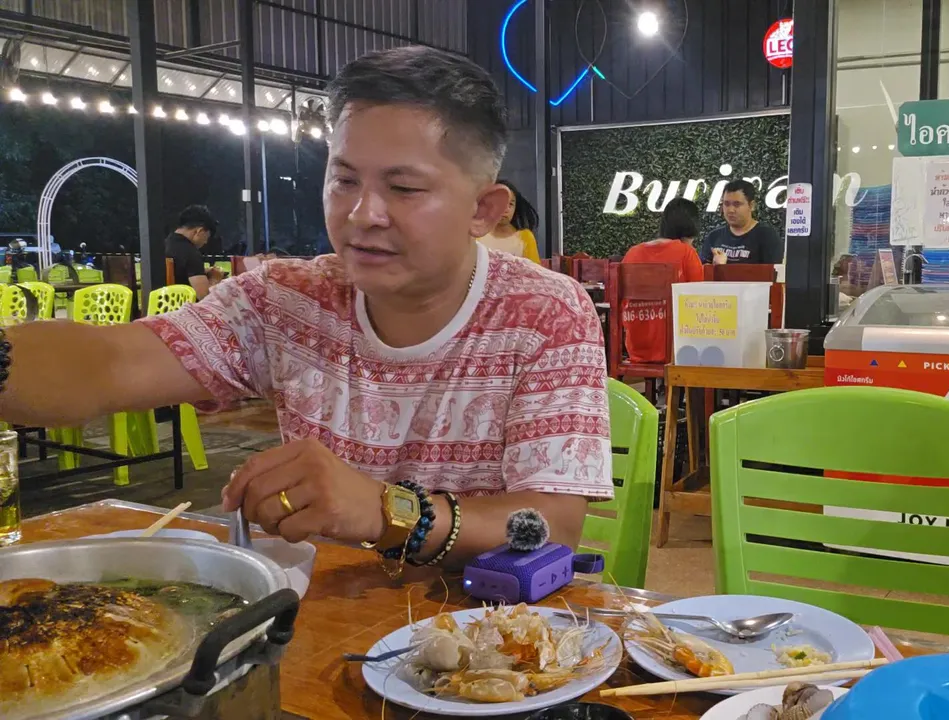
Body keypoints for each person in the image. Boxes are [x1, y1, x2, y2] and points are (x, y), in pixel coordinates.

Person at [0, 46, 611, 571]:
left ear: (483, 210)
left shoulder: (543, 312)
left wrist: (386, 511)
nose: (362, 213)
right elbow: (110, 362)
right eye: (344, 180)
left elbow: (552, 527)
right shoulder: (284, 300)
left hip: (482, 630)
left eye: (403, 188)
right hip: (318, 617)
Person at [620, 198, 704, 363]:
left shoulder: (633, 253)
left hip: (636, 349)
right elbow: (700, 300)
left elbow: (621, 302)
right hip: (675, 351)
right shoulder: (686, 253)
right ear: (691, 226)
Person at [700, 179, 784, 266]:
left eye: (737, 204)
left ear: (751, 205)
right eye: (726, 204)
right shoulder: (714, 237)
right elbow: (702, 270)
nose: (730, 210)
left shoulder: (767, 236)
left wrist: (724, 269)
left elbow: (770, 272)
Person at [164, 205, 224, 299]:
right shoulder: (191, 253)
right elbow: (205, 299)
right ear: (199, 231)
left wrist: (201, 271)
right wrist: (215, 279)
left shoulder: (165, 244)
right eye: (207, 237)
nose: (206, 242)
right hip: (184, 306)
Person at [477, 179, 540, 262]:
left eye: (511, 204)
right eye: (500, 203)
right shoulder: (477, 235)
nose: (506, 209)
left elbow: (533, 269)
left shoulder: (525, 238)